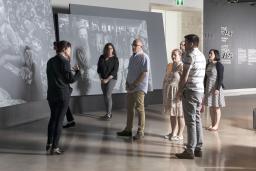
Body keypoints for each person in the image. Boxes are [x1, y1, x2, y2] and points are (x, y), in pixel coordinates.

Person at [46, 40, 80, 155]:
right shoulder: (65, 61)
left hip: (51, 95)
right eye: (69, 49)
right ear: (65, 49)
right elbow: (70, 79)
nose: (70, 51)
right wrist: (78, 73)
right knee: (59, 121)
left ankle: (49, 143)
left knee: (53, 119)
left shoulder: (50, 61)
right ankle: (55, 147)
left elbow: (55, 77)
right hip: (62, 95)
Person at [175, 34, 206, 159]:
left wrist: (179, 90)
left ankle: (189, 150)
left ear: (192, 43)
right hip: (199, 91)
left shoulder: (189, 55)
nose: (184, 44)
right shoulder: (202, 55)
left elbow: (184, 76)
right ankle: (198, 148)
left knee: (190, 121)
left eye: (186, 42)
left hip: (191, 91)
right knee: (197, 119)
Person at [117, 38, 151, 140]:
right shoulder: (132, 57)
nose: (133, 47)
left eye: (135, 45)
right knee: (129, 109)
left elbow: (144, 73)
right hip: (131, 87)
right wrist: (127, 83)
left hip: (139, 87)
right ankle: (128, 129)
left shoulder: (144, 57)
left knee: (140, 109)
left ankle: (140, 131)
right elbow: (130, 72)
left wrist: (134, 84)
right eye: (132, 45)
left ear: (141, 46)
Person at [162, 49, 185, 141]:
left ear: (180, 56)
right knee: (172, 113)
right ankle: (173, 132)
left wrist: (181, 92)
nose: (173, 56)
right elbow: (166, 77)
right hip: (169, 91)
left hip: (177, 92)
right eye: (172, 54)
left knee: (179, 113)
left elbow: (184, 81)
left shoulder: (182, 66)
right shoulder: (169, 65)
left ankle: (180, 134)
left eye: (175, 55)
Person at [53, 41, 76, 128]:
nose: (54, 48)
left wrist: (77, 73)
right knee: (64, 105)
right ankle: (71, 121)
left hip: (64, 87)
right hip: (63, 87)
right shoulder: (61, 59)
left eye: (55, 46)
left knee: (63, 105)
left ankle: (63, 122)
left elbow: (69, 78)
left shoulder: (63, 60)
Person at [204, 49, 225, 131]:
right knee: (211, 107)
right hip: (209, 87)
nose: (209, 54)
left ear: (216, 55)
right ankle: (212, 124)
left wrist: (217, 89)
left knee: (216, 107)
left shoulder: (219, 65)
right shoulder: (208, 64)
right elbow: (205, 78)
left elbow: (220, 78)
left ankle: (216, 125)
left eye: (211, 53)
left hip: (216, 87)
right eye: (209, 53)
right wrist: (204, 87)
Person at [97, 43, 119, 120]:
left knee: (108, 95)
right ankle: (107, 113)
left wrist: (107, 80)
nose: (109, 50)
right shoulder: (101, 57)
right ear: (105, 49)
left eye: (111, 48)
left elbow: (114, 72)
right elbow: (99, 70)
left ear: (113, 50)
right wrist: (101, 79)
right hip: (103, 79)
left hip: (112, 79)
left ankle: (109, 114)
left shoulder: (115, 59)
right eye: (108, 48)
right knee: (105, 97)